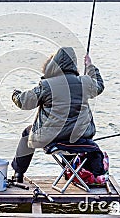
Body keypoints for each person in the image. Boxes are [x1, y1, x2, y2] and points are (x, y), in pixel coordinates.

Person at [11, 47, 105, 183]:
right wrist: (90, 66)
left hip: (51, 138)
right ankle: (73, 172)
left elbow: (24, 102)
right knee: (70, 138)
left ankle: (18, 174)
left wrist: (15, 94)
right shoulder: (85, 82)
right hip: (80, 136)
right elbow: (99, 85)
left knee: (27, 133)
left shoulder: (47, 85)